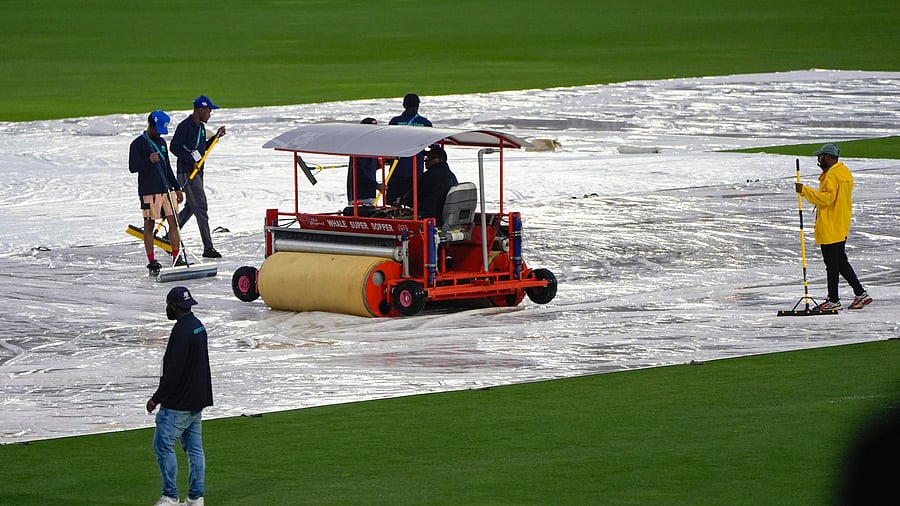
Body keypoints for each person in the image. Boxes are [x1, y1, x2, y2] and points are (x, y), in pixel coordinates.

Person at [147, 286, 213, 506]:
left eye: (168, 305)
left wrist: (156, 398)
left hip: (179, 404)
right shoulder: (197, 327)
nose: (167, 309)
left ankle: (170, 496)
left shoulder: (182, 331)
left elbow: (174, 371)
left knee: (163, 444)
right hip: (197, 401)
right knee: (195, 449)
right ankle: (196, 497)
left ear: (174, 306)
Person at [795, 143, 872, 311]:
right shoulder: (844, 172)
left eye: (821, 157)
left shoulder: (831, 176)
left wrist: (804, 191)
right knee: (840, 261)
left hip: (831, 225)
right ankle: (860, 294)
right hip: (841, 223)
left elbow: (826, 199)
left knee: (832, 264)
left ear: (829, 157)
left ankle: (834, 300)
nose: (819, 160)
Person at [170, 95, 227, 259]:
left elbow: (202, 149)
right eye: (209, 111)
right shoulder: (185, 126)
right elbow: (174, 147)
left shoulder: (201, 128)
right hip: (187, 173)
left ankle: (169, 237)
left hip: (197, 173)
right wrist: (190, 161)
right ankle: (208, 248)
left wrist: (216, 137)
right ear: (201, 110)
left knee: (191, 208)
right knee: (201, 207)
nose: (210, 114)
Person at [128, 110, 184, 275]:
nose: (159, 133)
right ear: (151, 125)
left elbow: (167, 168)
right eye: (158, 129)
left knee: (174, 224)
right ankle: (151, 260)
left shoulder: (161, 143)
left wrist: (177, 187)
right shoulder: (138, 144)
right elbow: (133, 167)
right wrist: (148, 161)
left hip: (166, 190)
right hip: (149, 191)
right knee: (149, 225)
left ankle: (176, 256)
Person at [387, 93, 432, 204]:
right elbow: (434, 147)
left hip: (397, 169)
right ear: (418, 105)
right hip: (416, 172)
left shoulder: (395, 122)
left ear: (404, 105)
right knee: (414, 204)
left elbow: (387, 143)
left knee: (392, 204)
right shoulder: (425, 123)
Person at [401, 145, 458, 226]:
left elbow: (411, 199)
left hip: (430, 218)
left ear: (440, 160)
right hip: (445, 217)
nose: (426, 162)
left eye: (428, 159)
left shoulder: (428, 176)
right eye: (425, 159)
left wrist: (402, 201)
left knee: (399, 219)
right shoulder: (451, 175)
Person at [347, 117, 382, 206]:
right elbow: (360, 171)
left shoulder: (370, 146)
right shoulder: (361, 147)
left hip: (368, 194)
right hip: (361, 197)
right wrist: (376, 185)